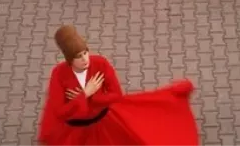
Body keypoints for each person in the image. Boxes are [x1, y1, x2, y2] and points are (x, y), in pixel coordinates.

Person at [38, 25, 197, 144]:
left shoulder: (100, 64)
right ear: (69, 59)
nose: (85, 59)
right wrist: (85, 94)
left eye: (86, 52)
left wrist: (90, 98)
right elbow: (59, 111)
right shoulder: (59, 74)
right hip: (76, 132)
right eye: (79, 56)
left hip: (104, 124)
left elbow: (116, 95)